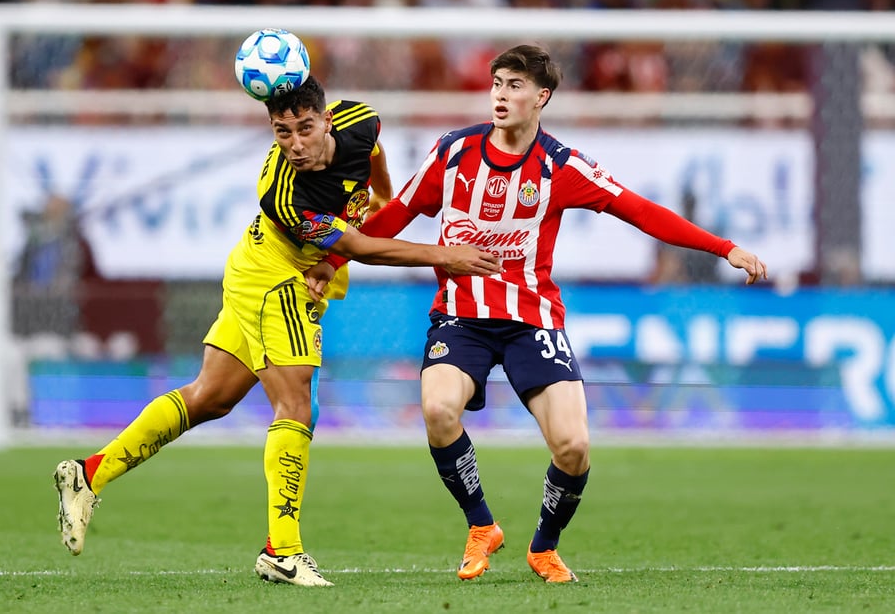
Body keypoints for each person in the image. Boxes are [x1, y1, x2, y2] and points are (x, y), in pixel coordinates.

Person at [307, 45, 767, 583]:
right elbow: (397, 214)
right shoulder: (452, 152)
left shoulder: (562, 166)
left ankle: (544, 546)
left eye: (515, 86)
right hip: (462, 317)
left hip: (533, 319)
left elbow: (641, 211)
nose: (501, 94)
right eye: (497, 83)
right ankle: (481, 525)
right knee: (437, 410)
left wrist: (724, 248)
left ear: (541, 97)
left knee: (573, 447)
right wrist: (331, 260)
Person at [52, 74, 502, 587]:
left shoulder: (360, 117)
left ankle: (88, 475)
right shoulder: (284, 193)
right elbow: (361, 249)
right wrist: (445, 255)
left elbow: (373, 150)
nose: (294, 144)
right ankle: (282, 551)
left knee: (209, 398)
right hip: (276, 277)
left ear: (327, 119)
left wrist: (382, 196)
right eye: (281, 132)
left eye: (304, 128)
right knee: (296, 402)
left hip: (260, 269)